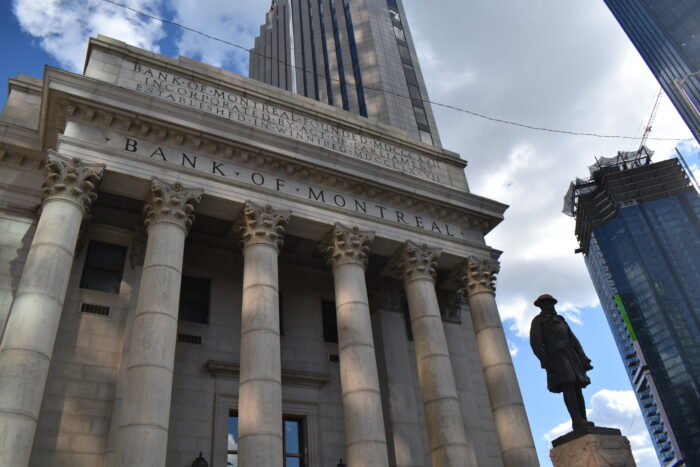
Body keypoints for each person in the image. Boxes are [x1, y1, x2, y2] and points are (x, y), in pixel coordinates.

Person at [530, 294, 594, 430]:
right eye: (546, 303)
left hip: (571, 356)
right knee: (568, 386)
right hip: (557, 357)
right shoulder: (539, 321)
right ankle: (576, 420)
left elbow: (574, 340)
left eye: (551, 303)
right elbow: (536, 343)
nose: (550, 306)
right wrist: (546, 360)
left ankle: (583, 418)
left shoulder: (561, 320)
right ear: (541, 306)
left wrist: (584, 358)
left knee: (577, 387)